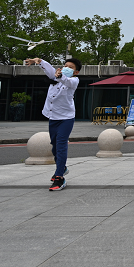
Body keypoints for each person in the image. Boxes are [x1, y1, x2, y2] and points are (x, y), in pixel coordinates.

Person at [25, 56, 81, 191]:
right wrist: (38, 61)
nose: (67, 68)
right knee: (54, 146)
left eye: (71, 67)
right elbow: (49, 69)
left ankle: (59, 177)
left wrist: (60, 75)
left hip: (66, 118)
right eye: (65, 65)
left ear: (76, 72)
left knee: (61, 144)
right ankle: (62, 167)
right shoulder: (55, 77)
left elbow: (66, 80)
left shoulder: (74, 80)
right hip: (53, 117)